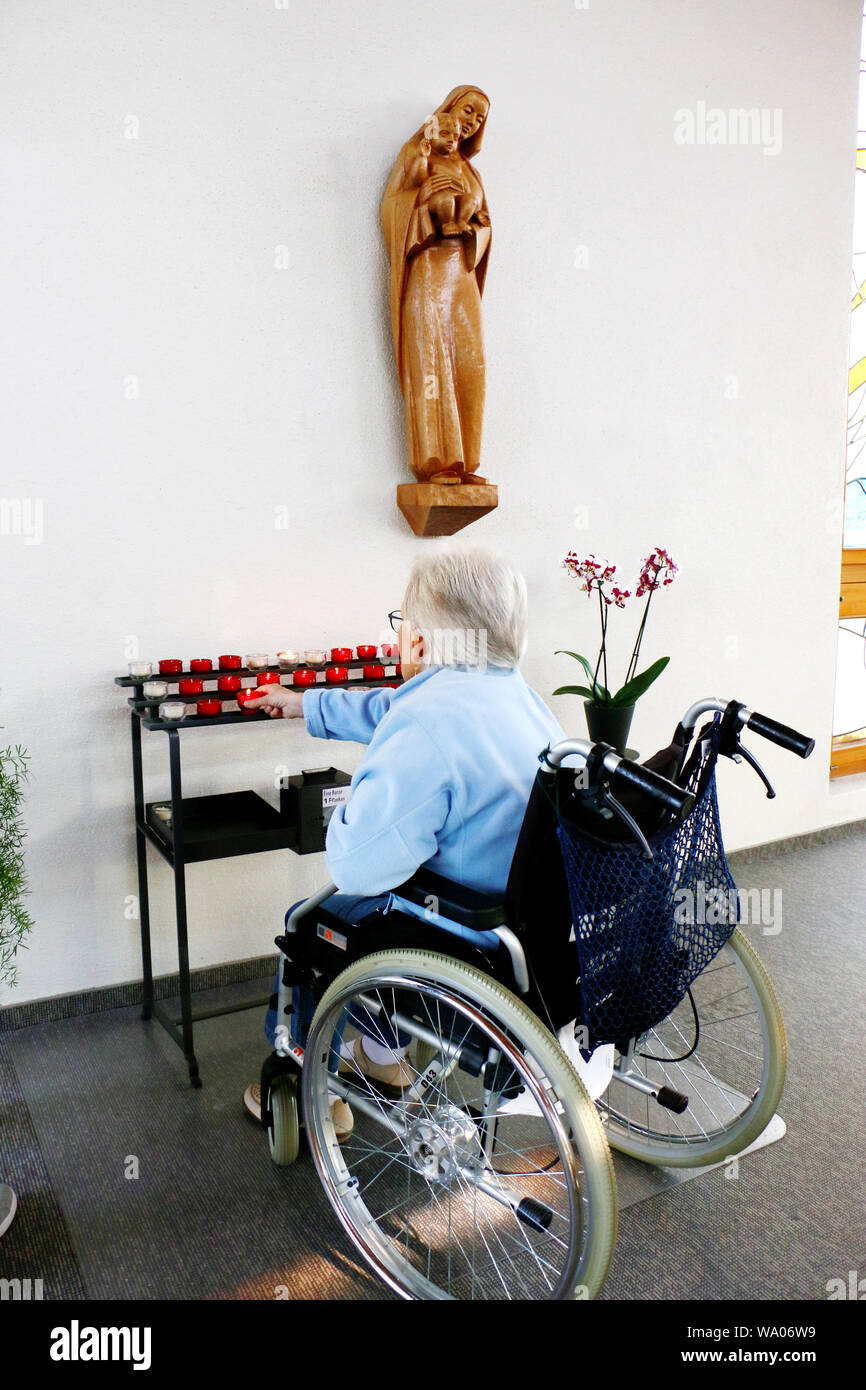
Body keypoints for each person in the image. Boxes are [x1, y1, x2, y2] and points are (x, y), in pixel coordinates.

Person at [242, 547, 566, 1139]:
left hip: (453, 931)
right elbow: (396, 710)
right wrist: (304, 706)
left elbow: (355, 865)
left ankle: (308, 1077)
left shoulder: (426, 723)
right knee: (377, 912)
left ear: (417, 643)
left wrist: (348, 811)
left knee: (313, 919)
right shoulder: (518, 698)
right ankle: (386, 1061)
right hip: (519, 925)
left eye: (401, 627)